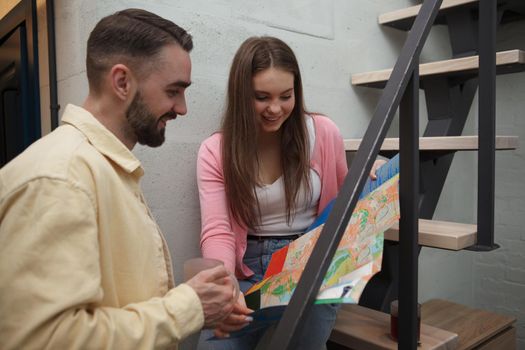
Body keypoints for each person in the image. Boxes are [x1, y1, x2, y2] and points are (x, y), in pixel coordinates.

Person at [0, 9, 249, 350]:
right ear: (121, 82)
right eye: (173, 91)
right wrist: (188, 307)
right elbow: (47, 340)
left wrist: (201, 306)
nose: (182, 108)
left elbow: (113, 305)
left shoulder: (102, 167)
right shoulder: (60, 178)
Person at [196, 36, 385, 349]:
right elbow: (218, 231)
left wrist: (369, 170)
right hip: (248, 269)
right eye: (261, 97)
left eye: (286, 96)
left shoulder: (323, 132)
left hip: (310, 260)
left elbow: (340, 202)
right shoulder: (215, 151)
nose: (275, 108)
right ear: (241, 94)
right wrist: (226, 285)